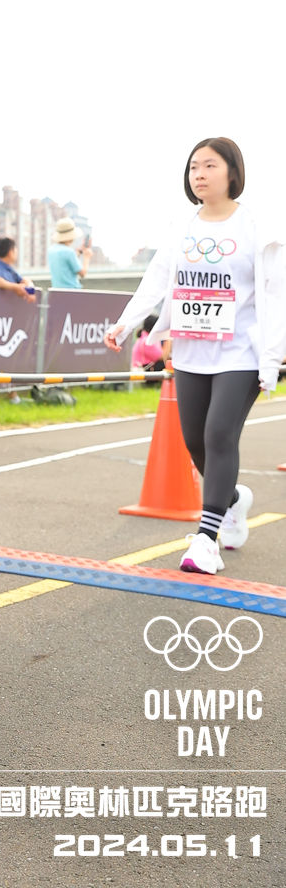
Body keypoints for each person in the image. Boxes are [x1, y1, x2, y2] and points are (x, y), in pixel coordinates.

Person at [105, 137, 286, 575]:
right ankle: (233, 499)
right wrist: (126, 323)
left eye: (209, 166)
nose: (199, 174)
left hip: (240, 351)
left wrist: (272, 357)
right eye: (193, 167)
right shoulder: (182, 226)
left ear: (232, 172)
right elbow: (157, 278)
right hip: (191, 349)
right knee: (195, 441)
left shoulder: (256, 227)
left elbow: (275, 293)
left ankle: (206, 540)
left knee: (220, 434)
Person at [0, 237, 36, 303]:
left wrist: (29, 290)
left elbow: (24, 281)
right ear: (10, 252)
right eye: (15, 249)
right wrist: (16, 287)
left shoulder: (10, 270)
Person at [47, 217, 92, 288]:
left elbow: (65, 263)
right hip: (71, 292)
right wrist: (87, 257)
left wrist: (79, 252)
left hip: (56, 291)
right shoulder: (69, 252)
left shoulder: (51, 250)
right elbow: (82, 274)